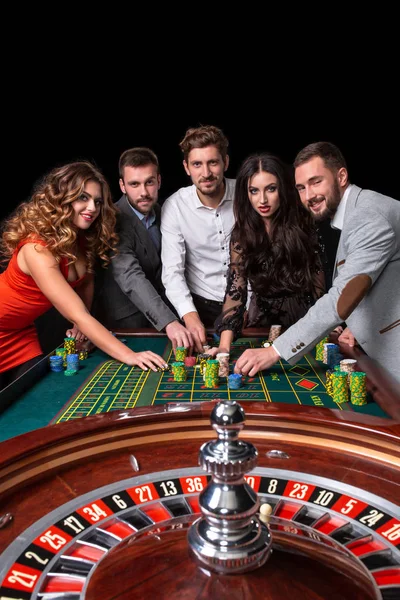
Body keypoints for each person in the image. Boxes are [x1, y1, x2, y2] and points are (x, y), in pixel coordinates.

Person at [234, 142, 400, 383]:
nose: (309, 196)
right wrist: (359, 322)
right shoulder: (358, 211)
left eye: (316, 182)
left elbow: (341, 297)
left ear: (341, 176)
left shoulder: (368, 218)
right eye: (301, 187)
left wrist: (274, 351)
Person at [0, 161, 168, 390]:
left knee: (32, 392)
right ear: (63, 198)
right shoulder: (36, 249)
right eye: (83, 198)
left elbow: (84, 283)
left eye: (97, 201)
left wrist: (80, 322)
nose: (92, 208)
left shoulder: (82, 239)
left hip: (20, 332)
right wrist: (130, 356)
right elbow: (79, 315)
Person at [208, 153, 325, 356]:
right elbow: (236, 291)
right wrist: (225, 347)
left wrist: (326, 324)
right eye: (254, 191)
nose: (262, 200)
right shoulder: (241, 234)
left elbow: (318, 288)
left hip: (303, 322)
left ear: (282, 189)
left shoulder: (304, 224)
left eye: (271, 189)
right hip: (260, 323)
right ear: (246, 194)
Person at [94, 147, 192, 353]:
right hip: (128, 324)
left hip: (170, 315)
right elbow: (130, 276)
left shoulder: (166, 211)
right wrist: (169, 322)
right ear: (122, 185)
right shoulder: (112, 220)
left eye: (149, 182)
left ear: (159, 181)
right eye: (134, 184)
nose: (144, 193)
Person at [161, 125, 235, 352]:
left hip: (250, 306)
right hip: (201, 306)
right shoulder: (174, 206)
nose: (206, 173)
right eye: (197, 164)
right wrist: (190, 316)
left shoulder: (248, 194)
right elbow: (172, 272)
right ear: (186, 167)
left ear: (225, 162)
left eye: (213, 162)